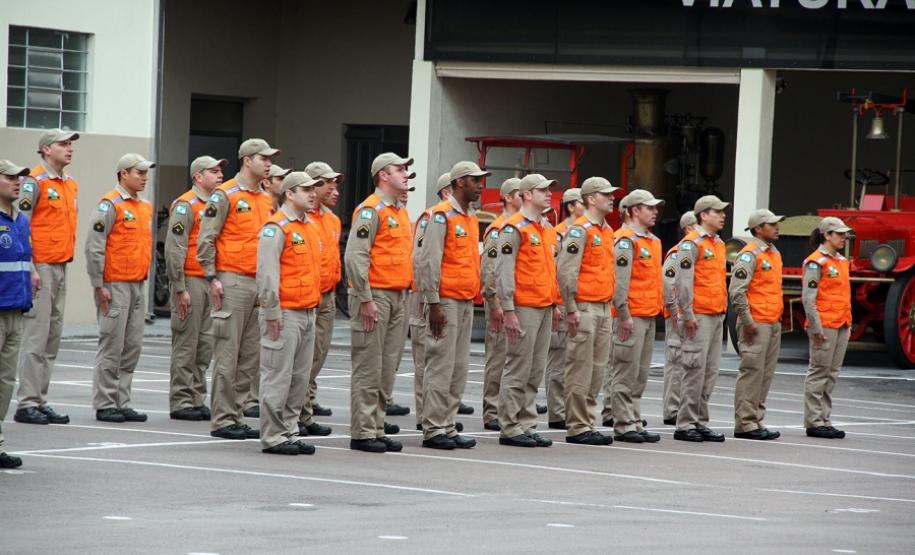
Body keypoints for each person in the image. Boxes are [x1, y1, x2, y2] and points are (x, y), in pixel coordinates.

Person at [197, 138, 278, 440]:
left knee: (250, 357)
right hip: (232, 280)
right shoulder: (225, 195)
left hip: (258, 282)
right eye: (263, 158)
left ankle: (237, 413)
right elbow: (207, 237)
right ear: (247, 160)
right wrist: (211, 276)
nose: (268, 163)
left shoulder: (265, 198)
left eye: (270, 159)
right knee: (228, 354)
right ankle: (222, 418)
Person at [345, 153, 414, 453]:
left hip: (399, 295)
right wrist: (365, 298)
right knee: (369, 365)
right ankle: (362, 431)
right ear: (383, 175)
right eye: (399, 169)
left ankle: (376, 425)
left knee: (387, 366)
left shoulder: (398, 211)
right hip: (376, 296)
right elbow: (356, 256)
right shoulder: (371, 211)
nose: (405, 175)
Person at [14, 129, 79, 426]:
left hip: (61, 265)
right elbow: (22, 225)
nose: (69, 149)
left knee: (51, 337)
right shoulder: (34, 183)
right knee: (36, 336)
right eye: (63, 144)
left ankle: (40, 399)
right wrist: (30, 267)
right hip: (41, 267)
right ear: (45, 150)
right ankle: (27, 401)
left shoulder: (69, 185)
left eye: (70, 144)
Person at [418, 162, 485, 449]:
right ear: (459, 183)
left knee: (459, 368)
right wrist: (433, 303)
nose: (479, 186)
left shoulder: (470, 217)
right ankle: (433, 428)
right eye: (474, 181)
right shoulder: (441, 216)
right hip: (445, 300)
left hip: (465, 299)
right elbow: (428, 262)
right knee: (440, 366)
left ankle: (448, 424)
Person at [85, 153, 155, 423]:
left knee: (131, 345)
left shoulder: (144, 206)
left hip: (137, 282)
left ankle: (121, 400)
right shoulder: (109, 205)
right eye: (139, 173)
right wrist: (98, 284)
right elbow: (95, 247)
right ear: (123, 174)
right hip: (114, 284)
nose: (144, 178)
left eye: (145, 173)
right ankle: (105, 401)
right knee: (112, 344)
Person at [256, 171, 323, 455]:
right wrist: (272, 311)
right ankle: (273, 435)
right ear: (290, 193)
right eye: (305, 189)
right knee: (277, 376)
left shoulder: (309, 226)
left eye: (313, 189)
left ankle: (290, 431)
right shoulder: (276, 228)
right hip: (284, 312)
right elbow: (267, 274)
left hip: (307, 310)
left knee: (299, 378)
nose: (312, 194)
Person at [495, 174, 560, 448]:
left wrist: (555, 303)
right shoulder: (514, 228)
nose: (549, 194)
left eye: (549, 189)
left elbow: (549, 270)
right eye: (542, 190)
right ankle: (510, 426)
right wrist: (508, 309)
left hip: (543, 305)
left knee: (534, 370)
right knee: (518, 367)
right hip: (524, 306)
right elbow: (504, 272)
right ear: (526, 195)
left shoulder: (544, 227)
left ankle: (527, 423)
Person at [556, 177, 617, 445]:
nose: (612, 198)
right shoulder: (581, 231)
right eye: (606, 194)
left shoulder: (606, 231)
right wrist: (570, 308)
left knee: (597, 370)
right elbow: (566, 271)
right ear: (591, 199)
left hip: (603, 307)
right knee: (580, 368)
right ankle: (578, 425)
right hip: (585, 307)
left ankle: (588, 421)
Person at [165, 156, 226, 421]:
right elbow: (175, 248)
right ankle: (181, 399)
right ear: (198, 176)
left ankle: (196, 396)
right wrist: (179, 287)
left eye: (221, 170)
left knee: (205, 344)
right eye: (214, 171)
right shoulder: (185, 205)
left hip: (209, 279)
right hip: (190, 278)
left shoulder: (216, 204)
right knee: (186, 343)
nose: (220, 175)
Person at [673, 195, 729, 443]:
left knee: (710, 372)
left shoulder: (717, 244)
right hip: (699, 315)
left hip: (715, 313)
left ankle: (700, 420)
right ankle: (685, 423)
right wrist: (687, 313)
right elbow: (683, 282)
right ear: (703, 215)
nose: (723, 215)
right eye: (717, 211)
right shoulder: (691, 244)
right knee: (694, 370)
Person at [610, 189, 664, 444]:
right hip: (630, 315)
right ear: (633, 211)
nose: (655, 212)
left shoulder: (652, 241)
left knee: (640, 373)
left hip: (648, 312)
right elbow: (620, 282)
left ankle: (633, 419)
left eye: (655, 208)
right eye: (649, 207)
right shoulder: (624, 240)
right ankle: (623, 423)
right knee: (625, 371)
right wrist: (623, 313)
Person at [296, 161, 344, 437]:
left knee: (318, 356)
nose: (334, 189)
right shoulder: (302, 219)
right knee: (303, 358)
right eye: (328, 184)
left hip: (327, 295)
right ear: (313, 186)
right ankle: (298, 413)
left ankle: (306, 407)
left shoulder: (332, 219)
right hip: (306, 296)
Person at [729, 209, 785, 440]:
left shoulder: (773, 253)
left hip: (772, 320)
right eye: (771, 224)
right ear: (758, 229)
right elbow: (737, 292)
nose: (776, 227)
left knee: (765, 374)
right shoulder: (749, 255)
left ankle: (756, 419)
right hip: (756, 322)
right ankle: (745, 422)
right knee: (752, 372)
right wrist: (748, 320)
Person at [243, 163, 290, 419]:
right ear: (267, 182)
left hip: (267, 283)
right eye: (280, 178)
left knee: (257, 346)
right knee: (252, 345)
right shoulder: (259, 206)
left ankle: (254, 396)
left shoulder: (277, 210)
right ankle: (248, 398)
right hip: (250, 278)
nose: (284, 181)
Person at [802, 216, 853, 440]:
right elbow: (808, 299)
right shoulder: (816, 262)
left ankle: (825, 418)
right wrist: (816, 327)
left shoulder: (841, 261)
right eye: (839, 234)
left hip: (841, 322)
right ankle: (814, 421)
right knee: (819, 372)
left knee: (831, 374)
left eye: (844, 234)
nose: (843, 238)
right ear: (827, 235)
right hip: (824, 324)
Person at [409, 172, 452, 431]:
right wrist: (427, 296)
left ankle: (437, 414)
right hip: (426, 296)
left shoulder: (457, 218)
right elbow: (420, 259)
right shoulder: (432, 218)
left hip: (442, 294)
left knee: (440, 359)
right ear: (446, 191)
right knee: (425, 355)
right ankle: (424, 415)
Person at [480, 177, 521, 431]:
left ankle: (509, 406)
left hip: (516, 300)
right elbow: (490, 270)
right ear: (507, 197)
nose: (523, 197)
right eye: (518, 193)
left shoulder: (521, 227)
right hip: (498, 300)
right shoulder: (498, 229)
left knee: (515, 356)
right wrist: (494, 303)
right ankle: (492, 409)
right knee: (498, 355)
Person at [0, 160, 33, 468]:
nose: (17, 182)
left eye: (20, 177)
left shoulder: (21, 220)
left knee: (6, 381)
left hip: (16, 309)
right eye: (10, 177)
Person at [544, 188, 584, 428]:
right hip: (560, 301)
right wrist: (556, 303)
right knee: (558, 360)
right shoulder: (557, 234)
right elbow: (554, 271)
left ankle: (569, 409)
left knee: (575, 361)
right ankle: (557, 412)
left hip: (578, 302)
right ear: (570, 206)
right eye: (581, 202)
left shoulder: (583, 232)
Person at [661, 211, 696, 425]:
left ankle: (682, 407)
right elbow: (668, 282)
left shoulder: (696, 250)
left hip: (690, 313)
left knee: (689, 363)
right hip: (678, 315)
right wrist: (675, 311)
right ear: (689, 228)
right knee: (675, 362)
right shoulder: (676, 254)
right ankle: (672, 409)